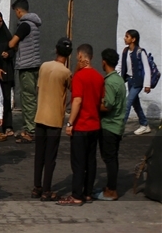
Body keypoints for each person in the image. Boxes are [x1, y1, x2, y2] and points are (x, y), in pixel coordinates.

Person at [59, 43, 104, 206]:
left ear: (80, 56)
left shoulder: (79, 77)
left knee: (78, 162)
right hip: (95, 124)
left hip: (81, 125)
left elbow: (77, 100)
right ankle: (88, 192)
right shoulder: (99, 77)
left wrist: (70, 122)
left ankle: (77, 195)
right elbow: (101, 101)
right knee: (91, 161)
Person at [32, 38, 72, 201]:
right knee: (50, 157)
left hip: (40, 115)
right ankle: (47, 190)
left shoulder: (44, 66)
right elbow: (73, 90)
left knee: (39, 155)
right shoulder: (66, 72)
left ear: (56, 50)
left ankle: (37, 187)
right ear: (69, 55)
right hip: (55, 119)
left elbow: (39, 88)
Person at [8, 0, 41, 143]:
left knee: (28, 98)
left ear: (18, 11)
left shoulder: (24, 25)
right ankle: (31, 127)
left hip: (26, 66)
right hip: (34, 64)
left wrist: (12, 47)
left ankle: (30, 130)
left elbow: (12, 43)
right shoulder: (34, 24)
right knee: (32, 97)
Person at [97, 48, 126, 201]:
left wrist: (94, 105)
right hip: (118, 125)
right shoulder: (120, 80)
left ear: (104, 62)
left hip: (109, 126)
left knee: (109, 159)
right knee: (112, 158)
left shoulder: (109, 82)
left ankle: (112, 190)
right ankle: (110, 187)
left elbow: (107, 106)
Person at [121, 29, 153, 135]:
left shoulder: (140, 51)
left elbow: (147, 68)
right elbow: (122, 66)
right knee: (135, 104)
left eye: (127, 36)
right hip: (130, 80)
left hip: (138, 82)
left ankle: (119, 129)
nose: (125, 38)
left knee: (127, 103)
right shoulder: (125, 51)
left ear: (133, 39)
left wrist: (147, 85)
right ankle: (144, 124)